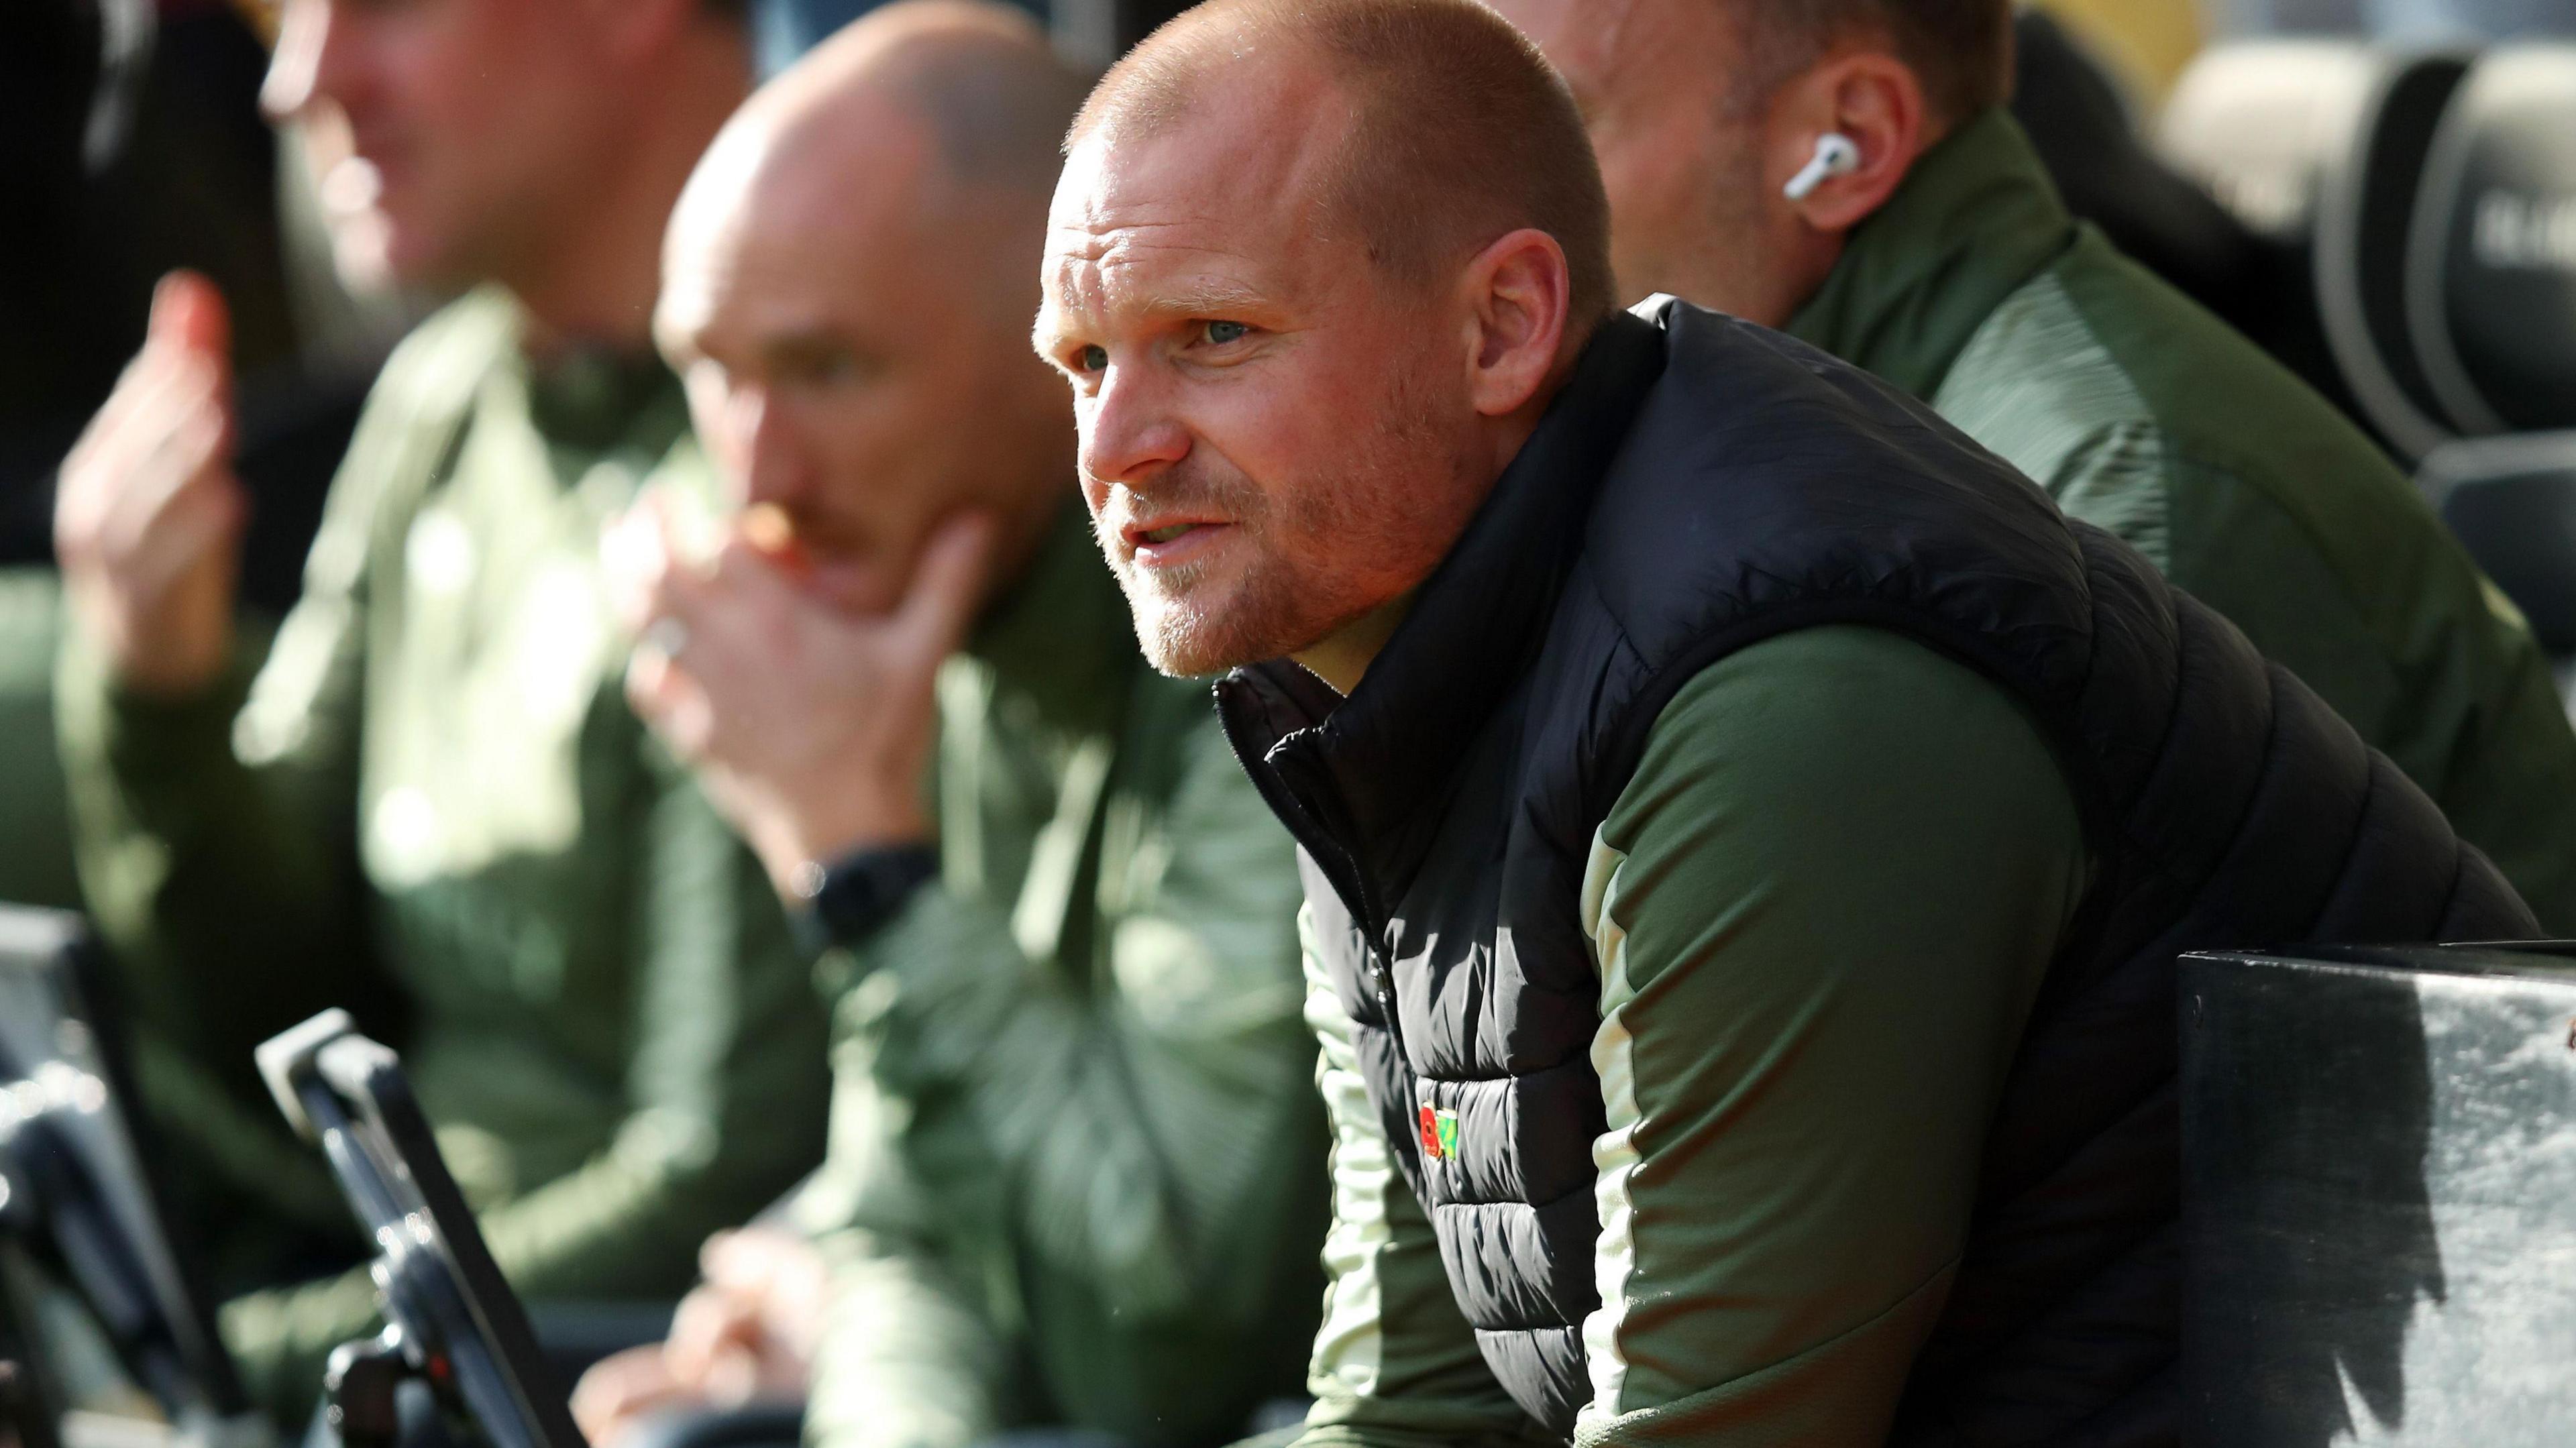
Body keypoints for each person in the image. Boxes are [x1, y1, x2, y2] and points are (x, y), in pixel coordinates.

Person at [1034, 1, 2538, 1442]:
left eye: (1218, 334)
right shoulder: (1363, 670)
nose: (1117, 449)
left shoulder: (1797, 679)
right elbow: (1426, 1406)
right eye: (1085, 362)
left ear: (1506, 322)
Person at [50, 0, 830, 1417]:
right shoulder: (450, 395)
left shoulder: (802, 442)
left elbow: (720, 1179)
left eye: (385, 7)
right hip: (400, 1280)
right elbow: (276, 1008)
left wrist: (210, 1371)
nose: (301, 83)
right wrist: (152, 693)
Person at [569, 7, 1324, 1447]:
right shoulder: (922, 609)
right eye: (711, 372)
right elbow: (903, 1242)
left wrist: (863, 868)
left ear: (1057, 351)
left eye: (829, 370)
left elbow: (1163, 1333)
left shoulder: (1267, 651)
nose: (757, 468)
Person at [1481, 0, 2576, 933]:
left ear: (1849, 140)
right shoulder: (1732, 431)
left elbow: (2115, 1134)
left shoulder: (2125, 512)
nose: (1491, 213)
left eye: (1559, 132)